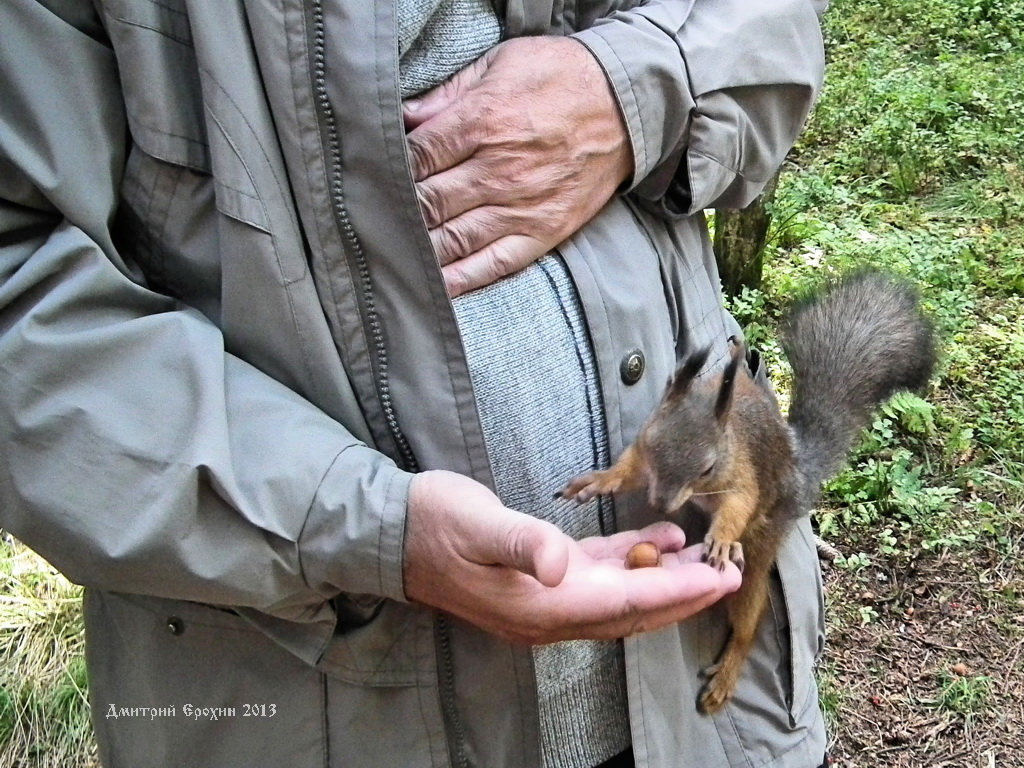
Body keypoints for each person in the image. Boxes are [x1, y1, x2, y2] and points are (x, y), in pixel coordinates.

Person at [0, 1, 828, 766]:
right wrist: (359, 525)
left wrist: (640, 87)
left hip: (688, 704)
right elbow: (23, 303)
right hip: (314, 695)